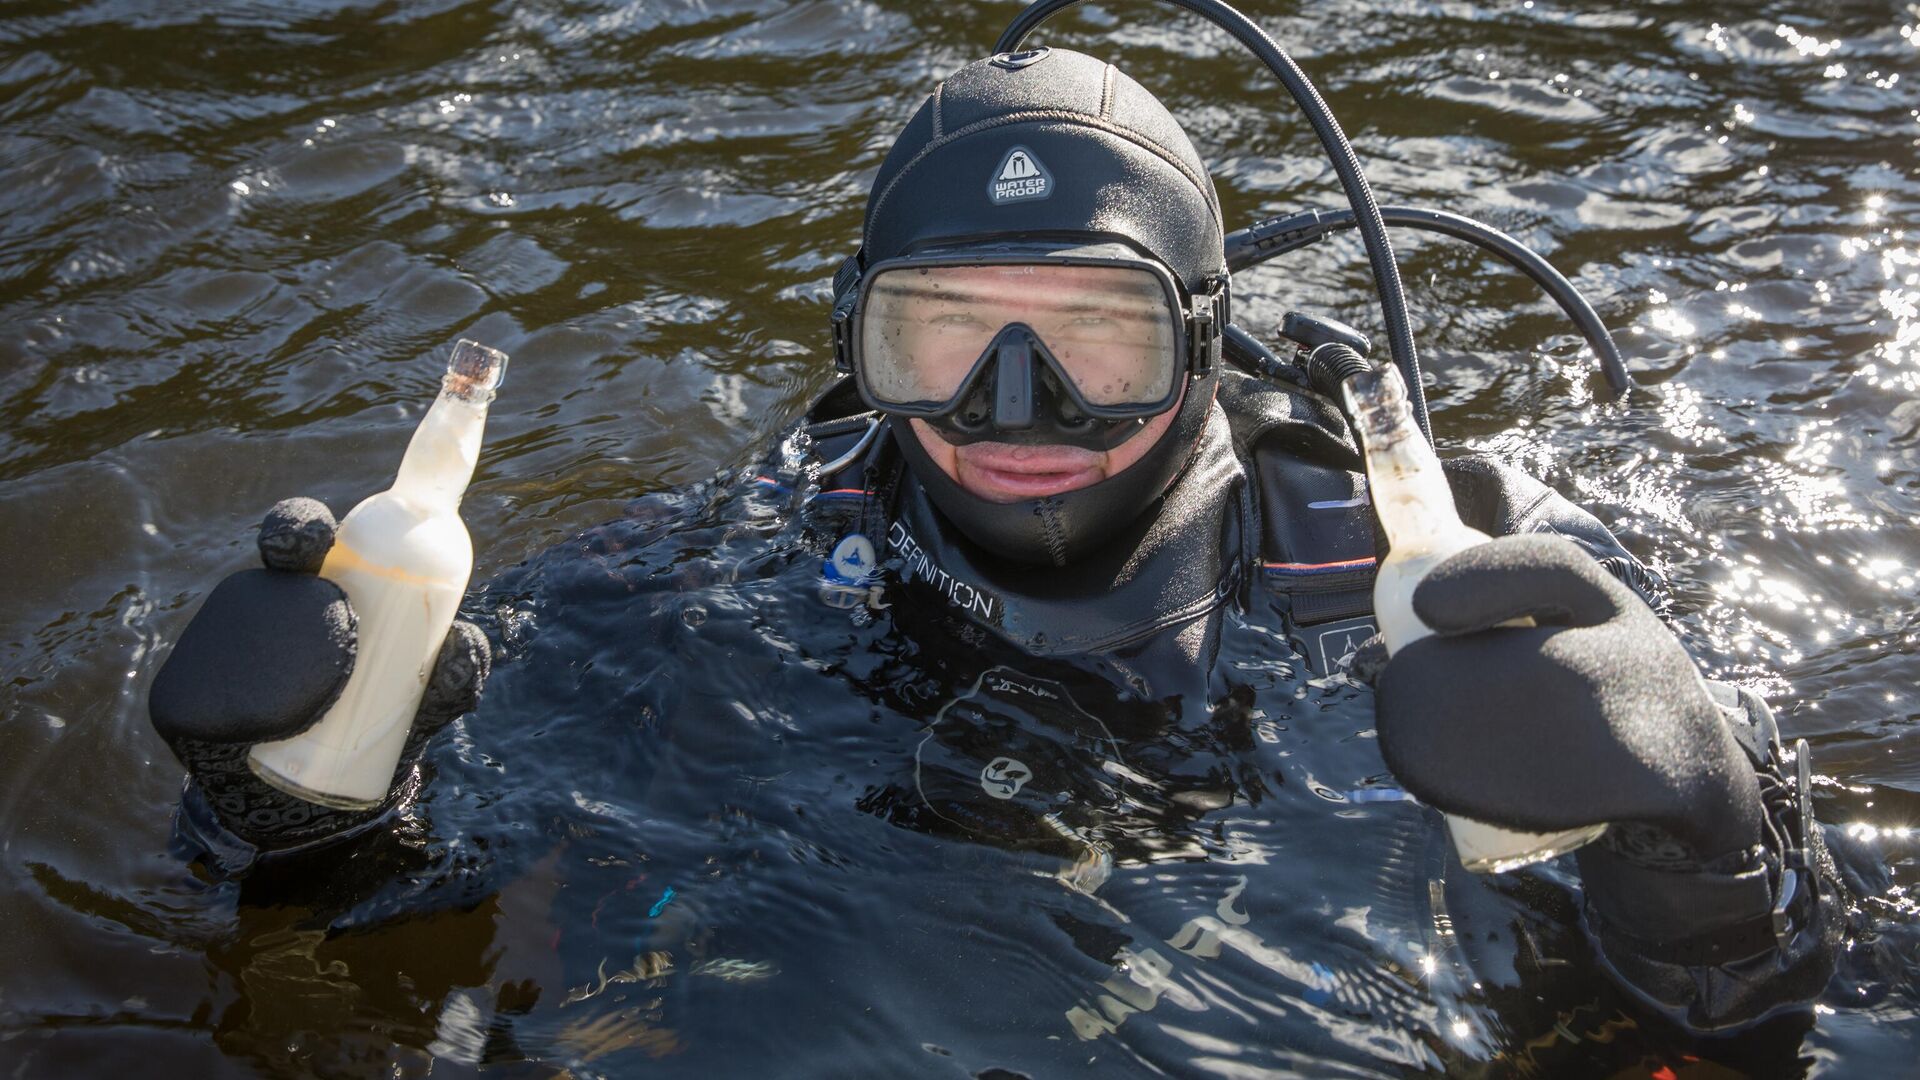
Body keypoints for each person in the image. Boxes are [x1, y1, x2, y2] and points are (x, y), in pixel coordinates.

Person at [148, 46, 1852, 1068]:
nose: (1012, 402)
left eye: (1096, 338)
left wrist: (1706, 847)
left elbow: (1793, 1037)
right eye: (943, 333)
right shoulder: (719, 572)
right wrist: (278, 803)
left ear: (1204, 339)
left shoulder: (1456, 583)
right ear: (854, 347)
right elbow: (372, 927)